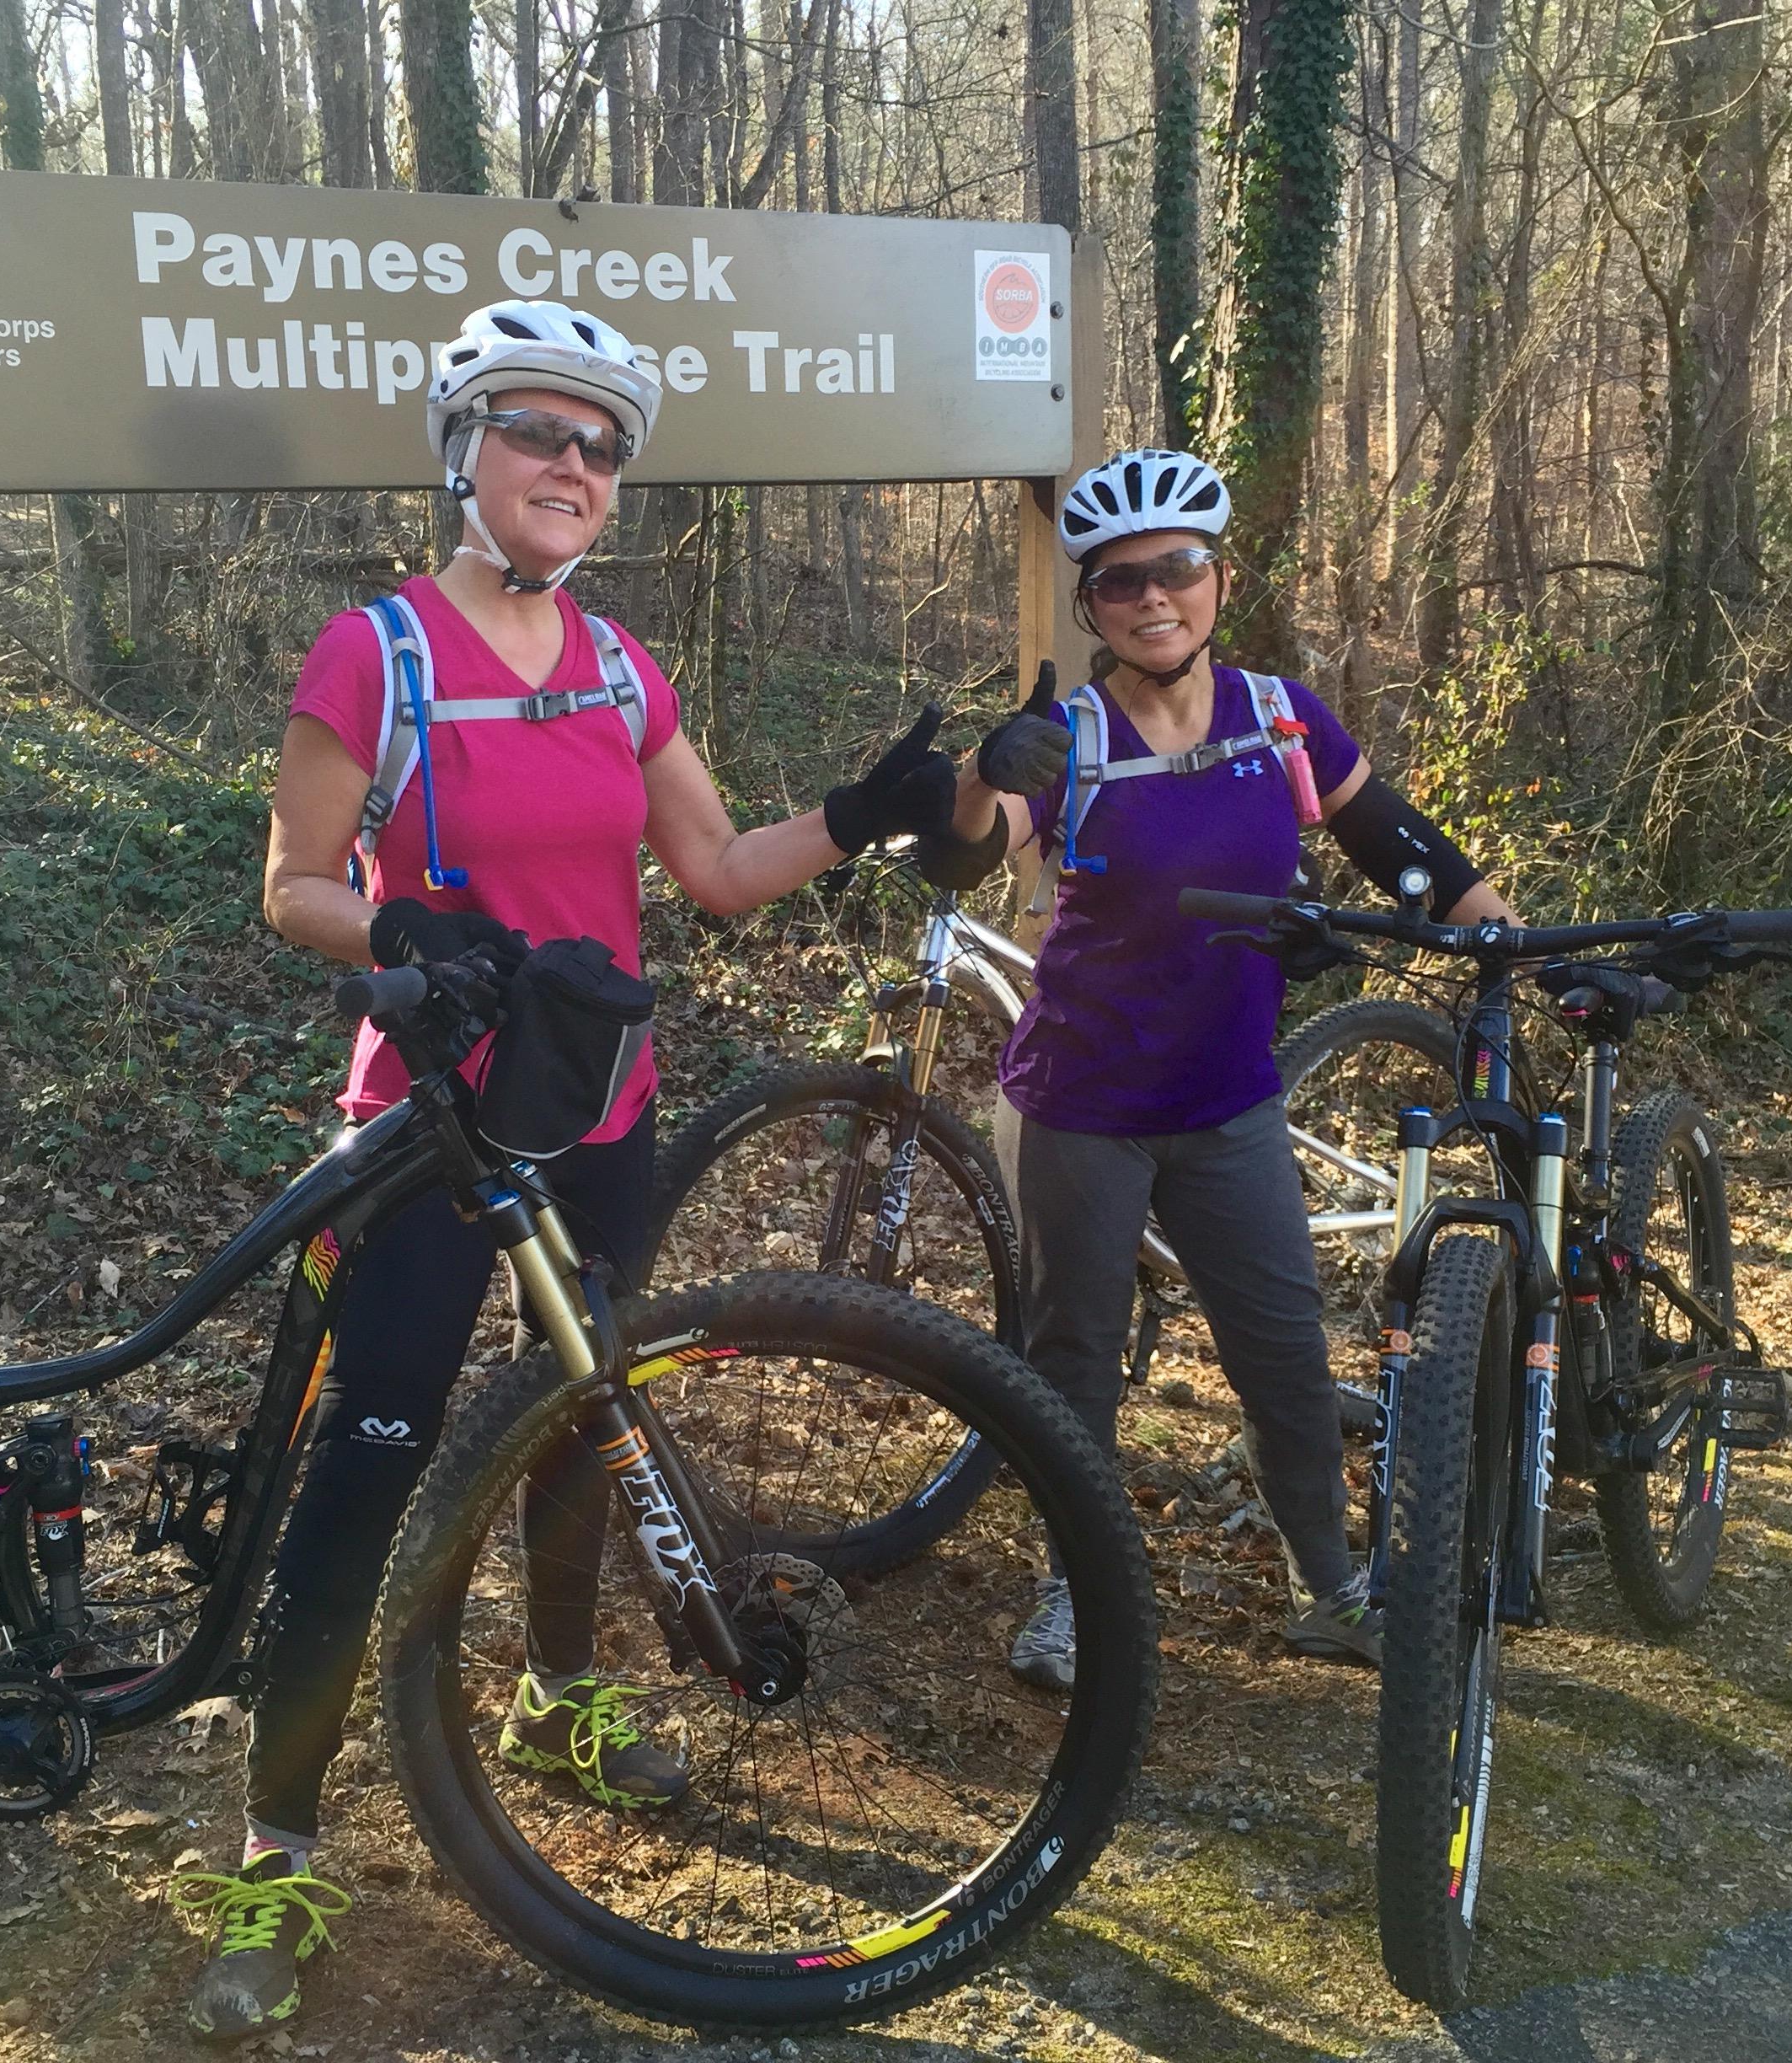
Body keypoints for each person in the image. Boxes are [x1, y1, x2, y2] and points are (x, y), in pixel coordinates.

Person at [173, 298, 958, 2041]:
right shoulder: (371, 651)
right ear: (467, 455)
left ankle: (557, 1692)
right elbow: (290, 882)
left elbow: (718, 870)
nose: (575, 468)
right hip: (425, 1128)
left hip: (599, 1117)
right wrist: (396, 924)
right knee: (366, 1477)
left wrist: (864, 812)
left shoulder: (619, 669)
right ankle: (277, 1845)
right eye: (541, 432)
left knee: (585, 1419)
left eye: (602, 448)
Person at [944, 448, 1517, 1691]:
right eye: (1121, 583)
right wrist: (985, 772)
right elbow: (962, 851)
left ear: (1218, 579)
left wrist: (1503, 937)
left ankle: (1334, 1586)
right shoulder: (1070, 738)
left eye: (1180, 570)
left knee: (1284, 1357)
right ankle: (1073, 1594)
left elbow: (1395, 841)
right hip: (1079, 1111)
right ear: (1091, 605)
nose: (1155, 598)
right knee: (1074, 1362)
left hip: (1228, 1104)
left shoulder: (1280, 718)